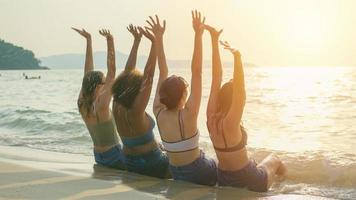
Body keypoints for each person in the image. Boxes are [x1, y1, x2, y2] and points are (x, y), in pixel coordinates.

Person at [205, 24, 286, 192]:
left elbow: (215, 78)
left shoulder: (211, 118)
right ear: (233, 99)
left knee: (254, 160)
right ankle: (285, 189)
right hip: (250, 181)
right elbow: (240, 92)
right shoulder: (231, 122)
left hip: (223, 179)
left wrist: (214, 41)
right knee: (276, 159)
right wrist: (237, 57)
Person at [152, 11, 217, 186]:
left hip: (175, 172)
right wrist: (198, 35)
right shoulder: (188, 114)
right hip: (198, 171)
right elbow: (197, 71)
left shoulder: (157, 111)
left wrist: (158, 38)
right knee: (221, 167)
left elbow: (162, 70)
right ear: (183, 95)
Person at [111, 22, 170, 179]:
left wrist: (136, 41)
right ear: (136, 89)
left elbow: (127, 71)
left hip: (129, 162)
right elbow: (149, 75)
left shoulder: (115, 103)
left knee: (164, 147)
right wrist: (155, 44)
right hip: (151, 163)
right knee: (181, 158)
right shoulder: (135, 110)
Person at [73, 27, 126, 170]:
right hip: (115, 156)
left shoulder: (81, 104)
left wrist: (89, 40)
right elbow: (112, 72)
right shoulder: (102, 106)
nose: (106, 85)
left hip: (98, 156)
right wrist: (110, 41)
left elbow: (87, 73)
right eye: (103, 82)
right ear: (97, 86)